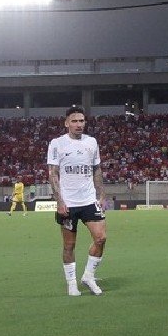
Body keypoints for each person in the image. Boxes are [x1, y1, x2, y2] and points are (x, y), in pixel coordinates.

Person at [48, 106, 108, 295]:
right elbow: (53, 174)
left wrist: (102, 194)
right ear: (67, 123)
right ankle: (71, 282)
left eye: (81, 121)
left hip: (89, 200)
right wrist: (59, 201)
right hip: (69, 203)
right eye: (74, 121)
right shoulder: (57, 144)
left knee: (101, 238)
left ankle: (88, 276)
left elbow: (96, 169)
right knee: (69, 245)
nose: (78, 124)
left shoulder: (91, 142)